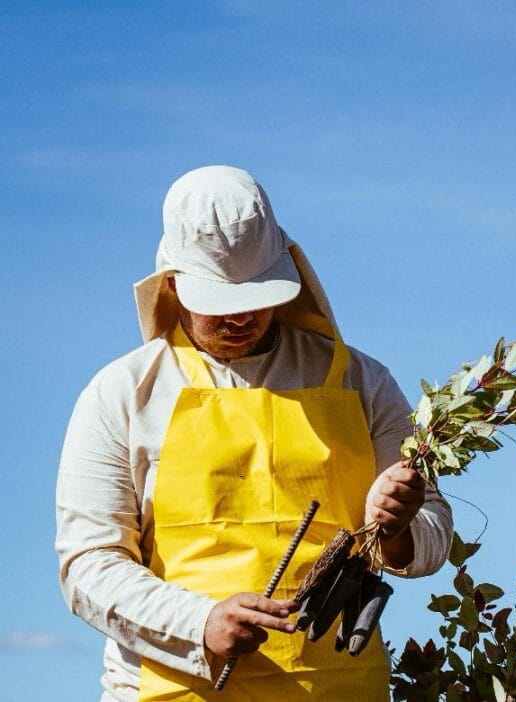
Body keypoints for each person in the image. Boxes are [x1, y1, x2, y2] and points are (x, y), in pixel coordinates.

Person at [56, 165, 453, 701]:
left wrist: (400, 528)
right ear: (172, 282)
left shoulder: (362, 381)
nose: (240, 318)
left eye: (255, 298)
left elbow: (431, 528)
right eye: (219, 304)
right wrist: (199, 621)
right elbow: (88, 564)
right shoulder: (122, 393)